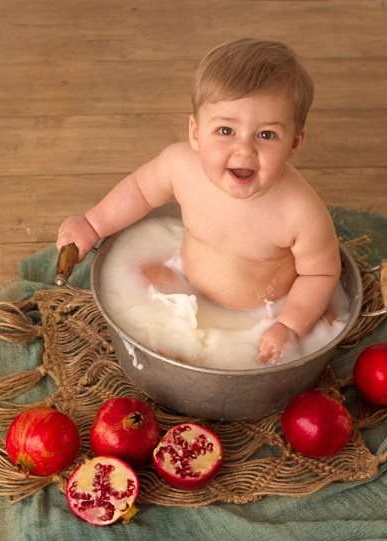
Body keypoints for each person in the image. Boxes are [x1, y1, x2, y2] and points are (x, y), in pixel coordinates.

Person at [56, 37, 341, 364]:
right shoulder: (181, 166)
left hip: (259, 315)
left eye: (266, 135)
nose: (244, 150)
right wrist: (92, 224)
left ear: (294, 143)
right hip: (188, 283)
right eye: (225, 130)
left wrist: (289, 325)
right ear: (195, 131)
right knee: (147, 294)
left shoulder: (300, 212)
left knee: (249, 356)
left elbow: (320, 275)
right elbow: (139, 190)